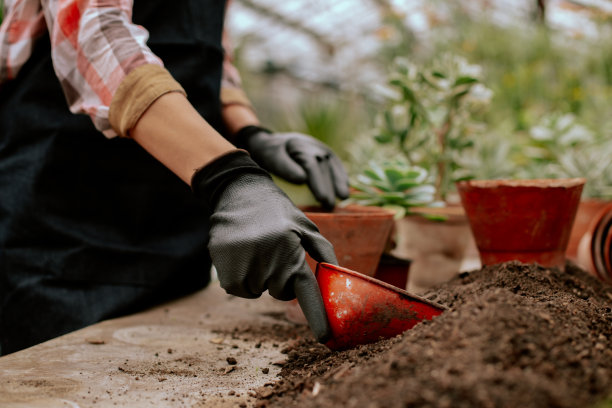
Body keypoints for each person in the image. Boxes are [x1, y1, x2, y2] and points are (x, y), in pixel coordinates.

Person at [0, 0, 349, 355]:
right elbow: (96, 37)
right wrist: (228, 174)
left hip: (174, 234)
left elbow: (210, 59)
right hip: (66, 230)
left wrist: (250, 132)